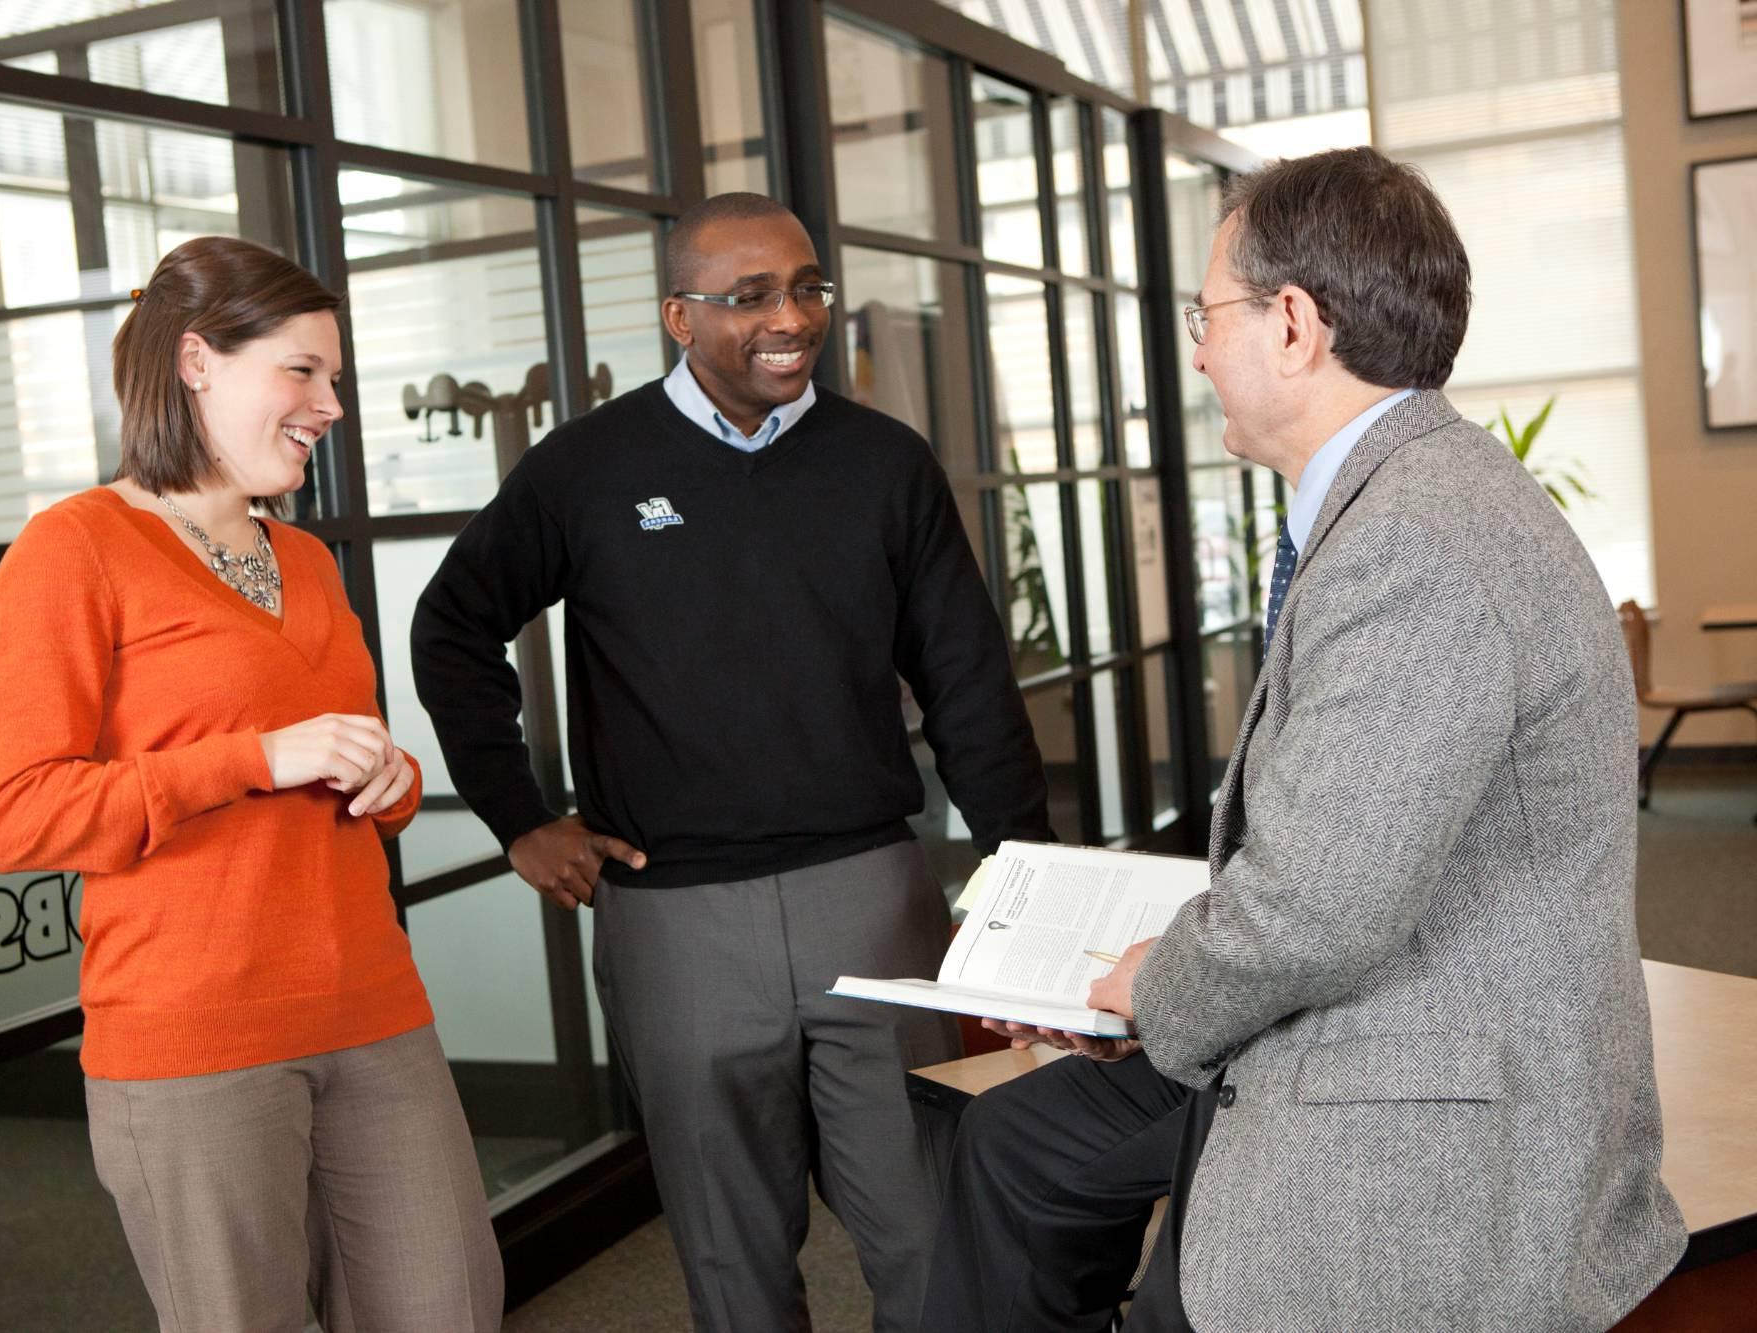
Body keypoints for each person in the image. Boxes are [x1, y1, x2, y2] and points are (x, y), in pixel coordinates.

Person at [922, 147, 1686, 1333]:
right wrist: (1142, 980)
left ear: (1290, 325)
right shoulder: (1402, 494)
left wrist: (1153, 988)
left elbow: (1318, 911)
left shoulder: (1415, 541)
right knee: (1019, 1143)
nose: (1194, 348)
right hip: (1384, 1013)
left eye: (1206, 314)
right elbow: (1333, 856)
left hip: (1439, 1094)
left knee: (1181, 1279)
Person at [412, 192, 1053, 1332]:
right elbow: (451, 626)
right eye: (748, 295)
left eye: (806, 286)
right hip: (676, 921)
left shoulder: (882, 464)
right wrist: (518, 812)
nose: (790, 316)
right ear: (678, 316)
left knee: (931, 1234)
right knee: (731, 1259)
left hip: (870, 903)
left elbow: (968, 683)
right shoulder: (587, 469)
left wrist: (1028, 897)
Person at [0, 236, 503, 1333]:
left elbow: (355, 763)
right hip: (192, 1035)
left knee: (447, 1305)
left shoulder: (302, 558)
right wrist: (256, 758)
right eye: (301, 372)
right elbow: (18, 813)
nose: (331, 404)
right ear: (198, 362)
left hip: (371, 1008)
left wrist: (385, 774)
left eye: (335, 378)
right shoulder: (71, 550)